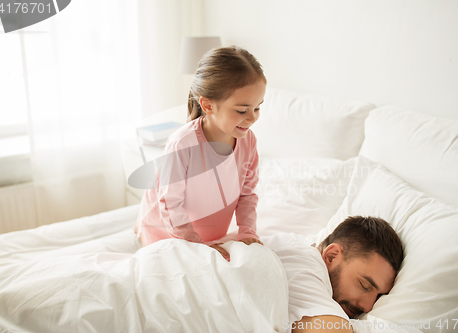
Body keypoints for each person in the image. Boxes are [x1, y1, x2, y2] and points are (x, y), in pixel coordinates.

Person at [134, 46, 266, 261]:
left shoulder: (248, 140)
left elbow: (247, 194)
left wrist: (247, 231)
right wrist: (195, 244)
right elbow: (170, 204)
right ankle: (139, 227)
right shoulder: (182, 143)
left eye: (258, 107)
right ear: (207, 105)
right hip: (165, 229)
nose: (252, 118)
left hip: (208, 233)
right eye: (242, 110)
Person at [264, 215, 404, 333]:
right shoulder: (302, 263)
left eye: (378, 296)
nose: (367, 307)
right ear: (331, 256)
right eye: (364, 285)